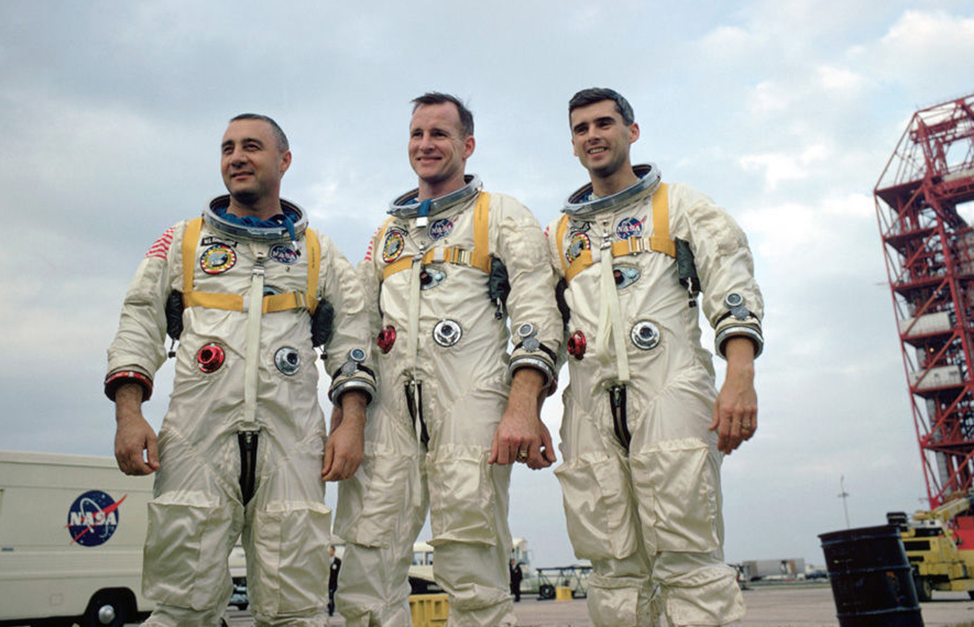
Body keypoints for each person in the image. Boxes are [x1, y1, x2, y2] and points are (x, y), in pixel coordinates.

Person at [105, 114, 374, 627]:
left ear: (284, 160)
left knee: (295, 608)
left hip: (293, 443)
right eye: (228, 148)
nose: (237, 157)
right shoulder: (182, 242)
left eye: (252, 146)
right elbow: (138, 320)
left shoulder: (318, 252)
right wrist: (128, 413)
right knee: (181, 604)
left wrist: (352, 420)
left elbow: (354, 338)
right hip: (195, 439)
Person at [334, 93, 563, 627]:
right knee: (366, 566)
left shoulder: (500, 214)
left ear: (467, 145)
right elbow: (357, 329)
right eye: (417, 134)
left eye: (439, 134)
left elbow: (537, 312)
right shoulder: (388, 233)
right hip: (389, 411)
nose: (425, 144)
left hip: (472, 404)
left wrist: (523, 406)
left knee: (472, 564)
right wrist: (348, 418)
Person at [548, 88, 763, 627]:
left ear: (632, 131)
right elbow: (543, 325)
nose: (593, 135)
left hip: (670, 387)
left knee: (688, 558)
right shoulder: (561, 235)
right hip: (591, 405)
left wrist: (740, 375)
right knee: (612, 567)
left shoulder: (679, 206)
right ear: (573, 145)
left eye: (603, 123)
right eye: (581, 129)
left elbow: (730, 287)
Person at [328, 546, 341, 617]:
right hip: (327, 581)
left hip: (334, 581)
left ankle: (331, 610)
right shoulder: (326, 560)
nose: (330, 552)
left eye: (331, 550)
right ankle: (329, 607)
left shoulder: (338, 561)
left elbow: (340, 572)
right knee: (328, 596)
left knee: (332, 596)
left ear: (334, 551)